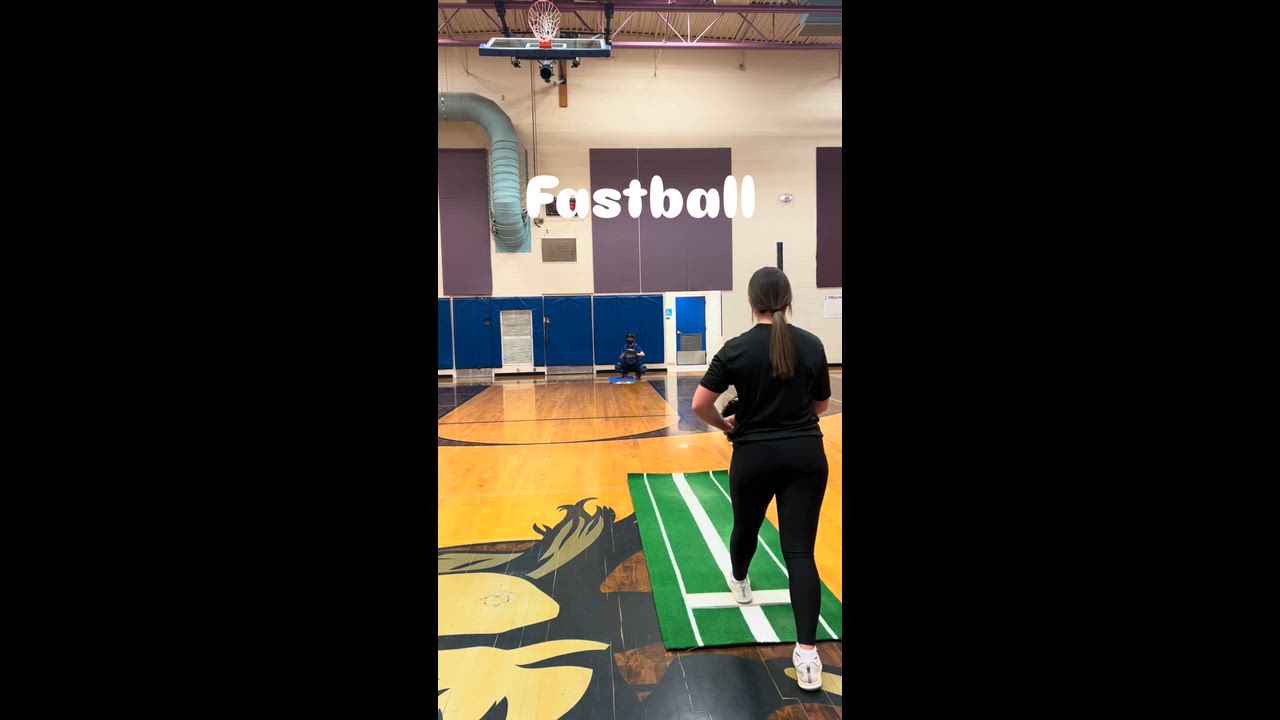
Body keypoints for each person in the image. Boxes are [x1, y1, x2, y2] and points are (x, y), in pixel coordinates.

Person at [690, 267, 832, 692]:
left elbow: (700, 405)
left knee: (746, 528)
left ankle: (739, 579)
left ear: (751, 302)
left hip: (753, 455)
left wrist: (727, 426)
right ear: (788, 300)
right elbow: (821, 405)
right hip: (806, 455)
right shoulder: (812, 343)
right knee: (800, 552)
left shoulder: (735, 348)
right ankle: (807, 655)